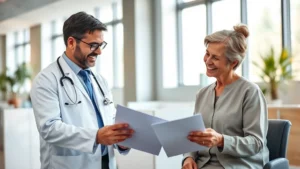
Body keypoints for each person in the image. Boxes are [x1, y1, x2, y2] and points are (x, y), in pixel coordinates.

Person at [30, 12, 134, 169]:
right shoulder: (46, 79)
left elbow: (110, 118)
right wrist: (96, 137)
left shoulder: (100, 80)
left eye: (101, 45)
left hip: (106, 163)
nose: (99, 52)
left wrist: (121, 141)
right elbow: (49, 128)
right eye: (93, 45)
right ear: (71, 42)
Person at [182, 24, 269, 169]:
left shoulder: (250, 92)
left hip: (238, 165)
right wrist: (188, 157)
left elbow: (256, 143)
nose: (208, 61)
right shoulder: (202, 94)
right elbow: (194, 135)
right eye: (207, 53)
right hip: (203, 165)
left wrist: (221, 140)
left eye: (215, 57)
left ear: (233, 62)